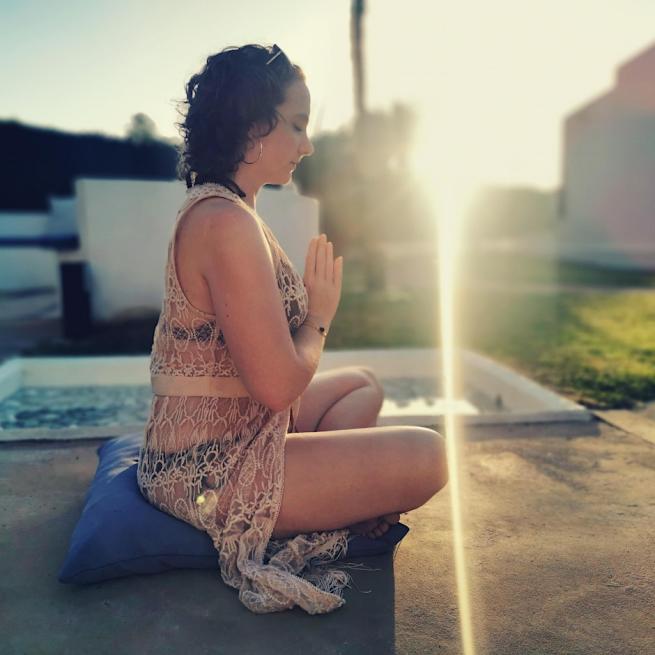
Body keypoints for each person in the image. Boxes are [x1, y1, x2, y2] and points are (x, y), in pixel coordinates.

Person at [136, 43, 448, 615]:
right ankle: (334, 498)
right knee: (430, 456)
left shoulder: (231, 210)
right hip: (205, 468)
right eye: (298, 125)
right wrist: (319, 317)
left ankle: (332, 491)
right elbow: (279, 386)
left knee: (365, 384)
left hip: (240, 428)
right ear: (252, 127)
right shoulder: (225, 224)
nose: (307, 144)